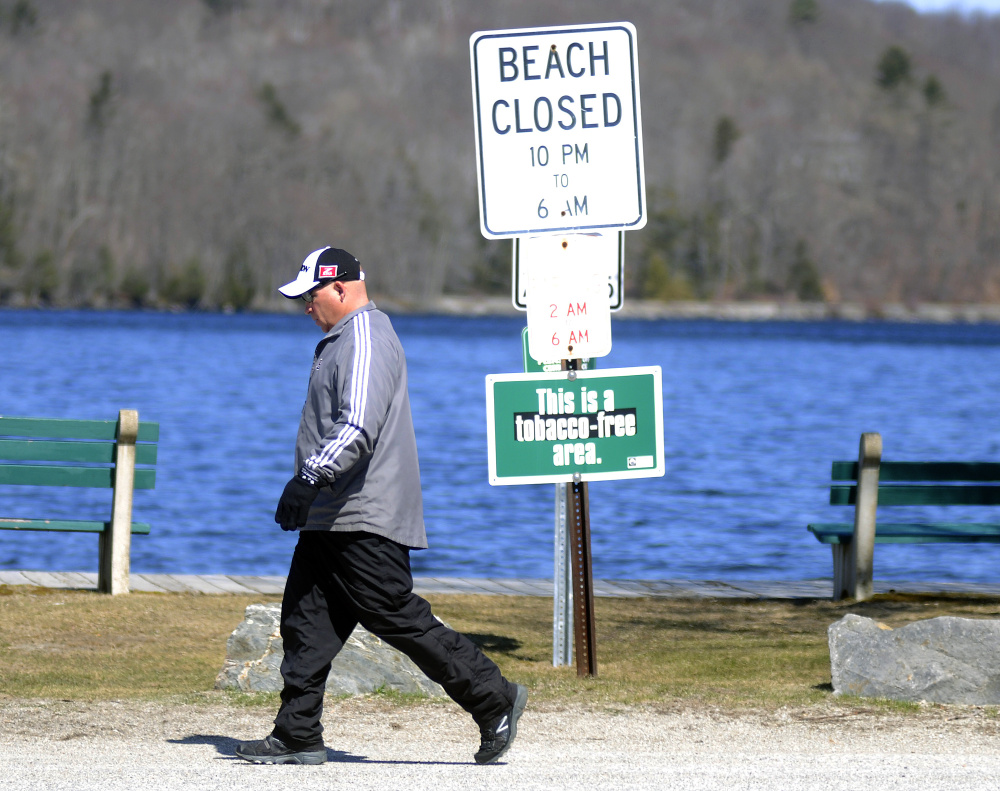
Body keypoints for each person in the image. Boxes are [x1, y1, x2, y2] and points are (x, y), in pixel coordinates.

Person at [235, 246, 527, 766]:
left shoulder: (366, 338)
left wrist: (307, 478)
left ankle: (494, 697)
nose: (306, 306)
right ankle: (297, 733)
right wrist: (310, 491)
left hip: (365, 512)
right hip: (332, 512)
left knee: (396, 616)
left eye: (311, 295)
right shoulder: (340, 339)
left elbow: (357, 426)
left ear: (341, 288)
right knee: (305, 619)